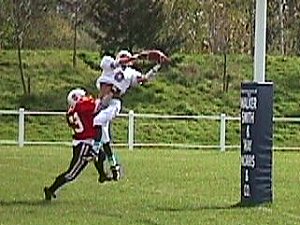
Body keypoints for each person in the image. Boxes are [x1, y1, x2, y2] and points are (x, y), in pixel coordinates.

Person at [93, 49, 167, 181]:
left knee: (98, 120)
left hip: (113, 103)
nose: (125, 59)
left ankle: (93, 151)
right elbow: (118, 62)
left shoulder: (130, 73)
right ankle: (114, 167)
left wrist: (156, 67)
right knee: (105, 140)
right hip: (100, 101)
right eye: (123, 56)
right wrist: (136, 56)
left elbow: (144, 79)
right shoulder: (108, 62)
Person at [43, 88, 108, 201]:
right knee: (71, 174)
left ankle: (102, 175)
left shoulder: (71, 112)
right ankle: (50, 190)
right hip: (84, 144)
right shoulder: (82, 106)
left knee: (101, 156)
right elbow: (98, 104)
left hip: (82, 142)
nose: (87, 97)